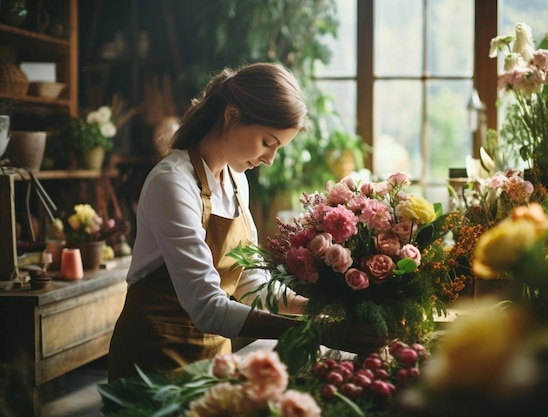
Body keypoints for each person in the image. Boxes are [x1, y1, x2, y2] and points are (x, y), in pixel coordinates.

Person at [108, 62, 384, 382]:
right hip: (152, 361)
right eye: (267, 142)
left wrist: (321, 309)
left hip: (213, 360)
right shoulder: (173, 183)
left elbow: (250, 282)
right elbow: (208, 308)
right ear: (231, 116)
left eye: (277, 148)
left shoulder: (236, 180)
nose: (270, 159)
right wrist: (315, 331)